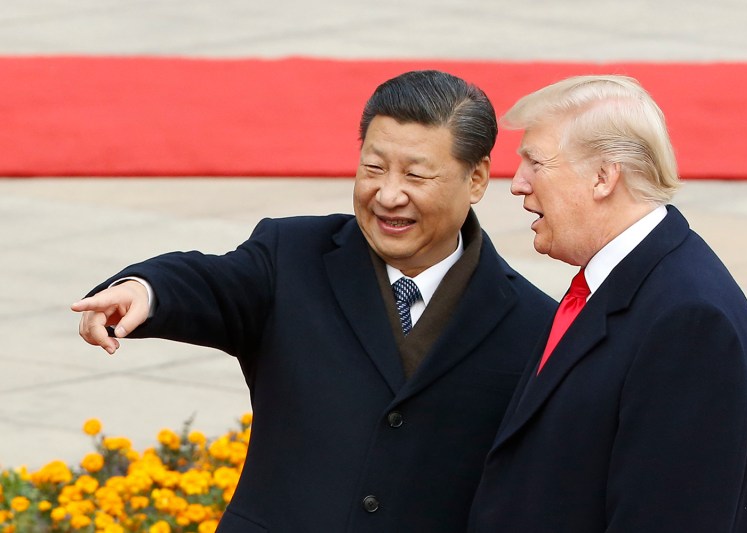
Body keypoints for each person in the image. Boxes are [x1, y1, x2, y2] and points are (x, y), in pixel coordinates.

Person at [71, 70, 557, 532]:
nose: (387, 195)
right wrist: (145, 289)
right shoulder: (294, 256)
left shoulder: (534, 325)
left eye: (416, 176)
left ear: (476, 179)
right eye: (373, 167)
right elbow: (214, 282)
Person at [468, 75, 747, 532]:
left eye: (535, 162)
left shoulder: (688, 321)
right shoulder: (621, 285)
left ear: (603, 177)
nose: (517, 184)